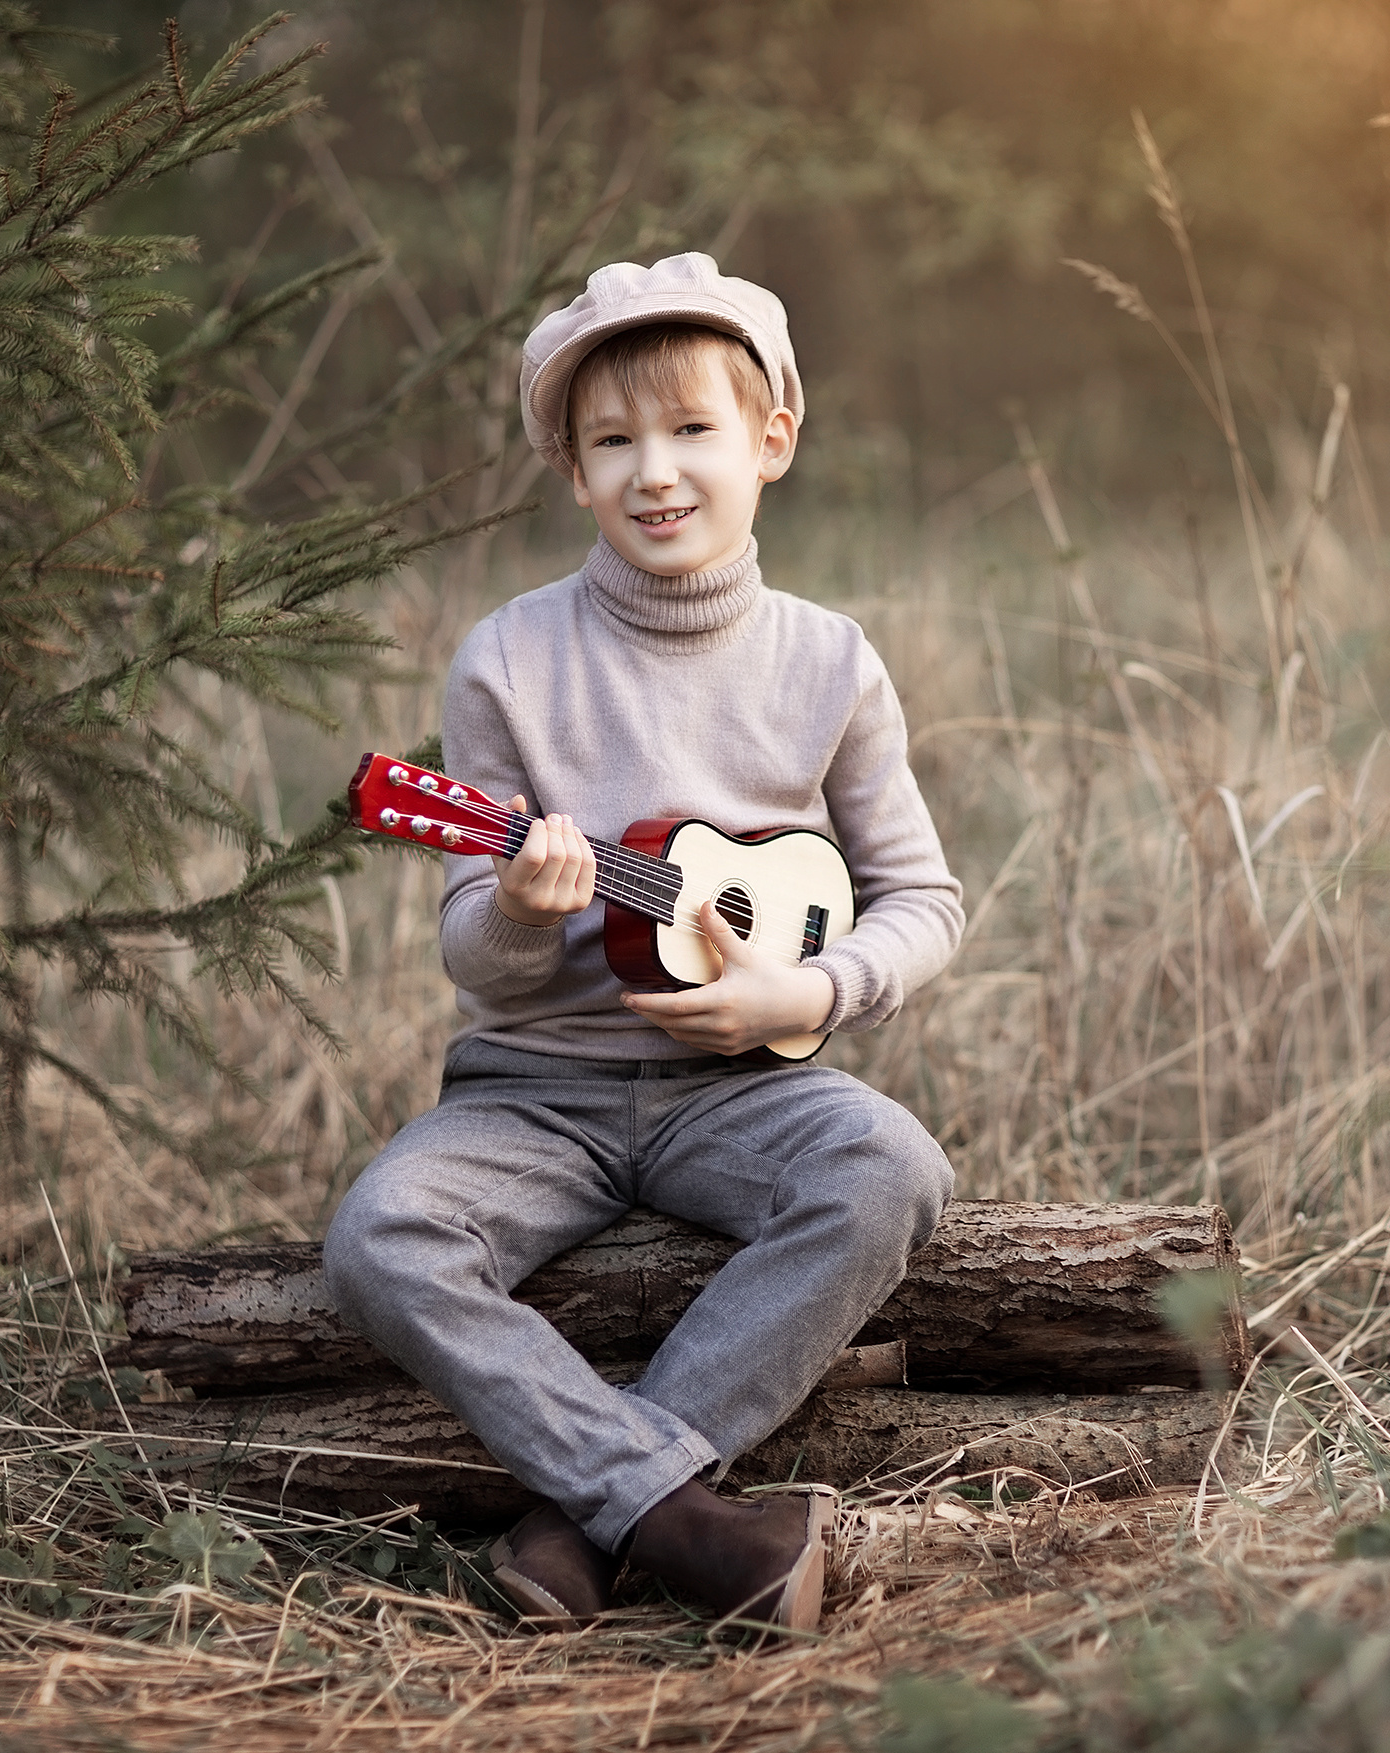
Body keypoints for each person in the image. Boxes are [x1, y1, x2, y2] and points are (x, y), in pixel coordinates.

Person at [322, 252, 963, 1633]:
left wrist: (803, 987)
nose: (654, 472)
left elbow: (923, 898)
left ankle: (581, 1516)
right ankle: (676, 1517)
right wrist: (520, 908)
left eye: (691, 431)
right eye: (612, 442)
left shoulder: (829, 662)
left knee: (891, 1166)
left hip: (745, 1086)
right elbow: (471, 956)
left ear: (771, 441)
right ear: (572, 469)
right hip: (533, 1091)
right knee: (382, 1233)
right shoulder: (507, 657)